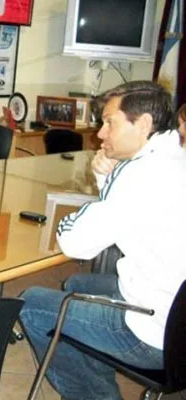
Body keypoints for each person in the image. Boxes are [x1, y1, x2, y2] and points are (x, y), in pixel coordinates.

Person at [19, 81, 186, 400]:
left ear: (144, 124)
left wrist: (106, 184)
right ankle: (93, 366)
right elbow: (127, 214)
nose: (100, 134)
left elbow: (74, 243)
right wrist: (108, 180)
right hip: (177, 315)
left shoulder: (141, 173)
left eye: (110, 122)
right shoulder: (174, 156)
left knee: (31, 303)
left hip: (154, 334)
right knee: (75, 286)